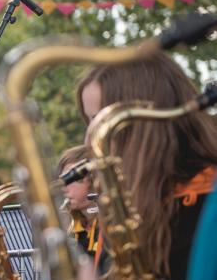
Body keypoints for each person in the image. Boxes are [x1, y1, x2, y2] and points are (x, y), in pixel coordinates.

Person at [77, 51, 217, 279]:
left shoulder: (206, 202)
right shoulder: (125, 203)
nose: (88, 141)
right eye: (89, 121)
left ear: (143, 123)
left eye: (100, 121)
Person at [56, 145, 106, 274]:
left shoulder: (110, 226)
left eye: (72, 180)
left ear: (95, 181)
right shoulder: (71, 228)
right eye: (63, 180)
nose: (64, 188)